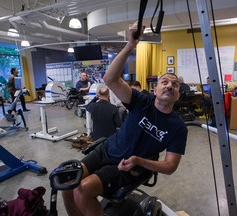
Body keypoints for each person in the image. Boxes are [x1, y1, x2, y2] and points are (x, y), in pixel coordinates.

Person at [62, 22, 188, 216]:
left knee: (83, 189)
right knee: (68, 183)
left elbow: (170, 166)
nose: (170, 85)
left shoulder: (178, 127)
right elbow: (110, 79)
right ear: (156, 89)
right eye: (165, 82)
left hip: (128, 166)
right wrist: (130, 45)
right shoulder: (142, 101)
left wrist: (139, 161)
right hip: (106, 150)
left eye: (175, 84)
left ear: (178, 95)